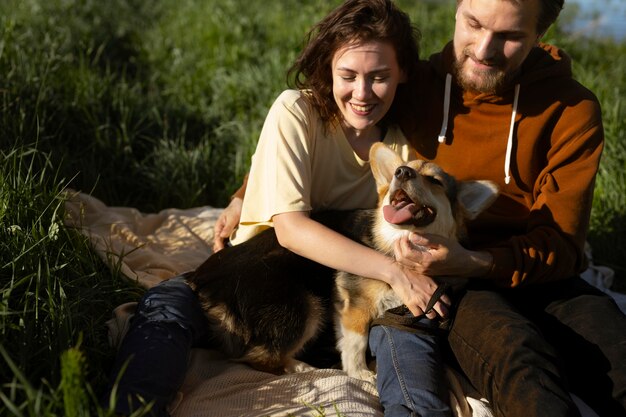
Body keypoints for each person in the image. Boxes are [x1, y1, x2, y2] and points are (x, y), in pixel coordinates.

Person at [215, 0, 626, 416]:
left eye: (510, 36)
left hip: (535, 269)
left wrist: (476, 260)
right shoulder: (421, 85)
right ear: (457, 8)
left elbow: (565, 245)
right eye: (474, 24)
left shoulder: (573, 109)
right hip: (446, 275)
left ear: (540, 35)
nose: (484, 49)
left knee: (618, 357)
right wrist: (243, 194)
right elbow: (338, 118)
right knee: (521, 358)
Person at [104, 1, 454, 416]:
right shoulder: (297, 111)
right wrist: (394, 272)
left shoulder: (401, 149)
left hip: (339, 300)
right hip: (254, 273)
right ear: (327, 70)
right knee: (165, 313)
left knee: (405, 334)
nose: (361, 93)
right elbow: (289, 229)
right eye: (348, 76)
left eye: (379, 77)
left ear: (403, 74)